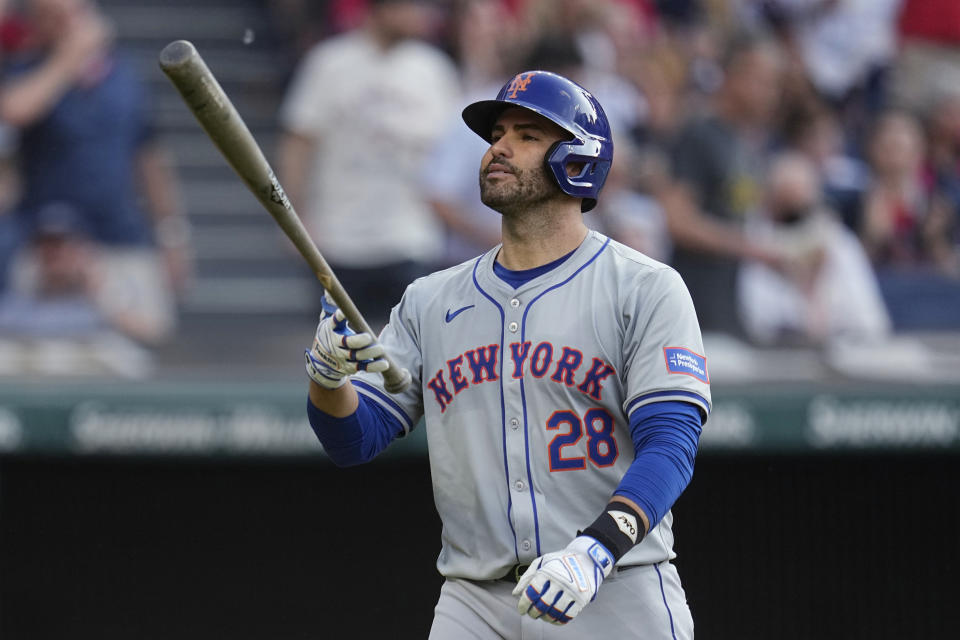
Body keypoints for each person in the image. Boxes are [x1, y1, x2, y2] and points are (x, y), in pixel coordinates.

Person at [304, 71, 709, 638]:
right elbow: (353, 442)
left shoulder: (644, 286)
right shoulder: (429, 300)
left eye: (527, 135)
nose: (499, 147)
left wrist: (595, 551)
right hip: (474, 600)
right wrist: (327, 378)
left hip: (614, 585)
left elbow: (670, 445)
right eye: (498, 132)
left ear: (579, 157)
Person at [277, 0, 459, 329]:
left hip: (410, 235)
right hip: (338, 237)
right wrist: (294, 216)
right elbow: (299, 141)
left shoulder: (434, 69)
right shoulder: (330, 62)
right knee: (335, 354)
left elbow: (451, 151)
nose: (419, 14)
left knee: (411, 348)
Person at [0, 0, 191, 294]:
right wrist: (68, 59)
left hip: (120, 241)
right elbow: (15, 110)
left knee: (141, 331)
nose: (66, 23)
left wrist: (172, 236)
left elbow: (150, 159)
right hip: (46, 250)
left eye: (72, 13)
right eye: (52, 17)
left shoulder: (125, 74)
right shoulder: (26, 67)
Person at [737, 152, 891, 345]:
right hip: (777, 363)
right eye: (786, 211)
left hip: (843, 358)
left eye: (801, 210)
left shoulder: (840, 243)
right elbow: (758, 324)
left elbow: (872, 323)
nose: (796, 220)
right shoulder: (754, 245)